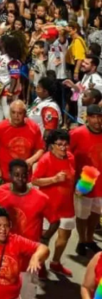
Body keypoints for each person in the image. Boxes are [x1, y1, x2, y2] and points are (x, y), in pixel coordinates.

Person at [0, 159, 55, 298]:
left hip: (29, 260)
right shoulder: (0, 193)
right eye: (16, 175)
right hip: (4, 256)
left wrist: (44, 240)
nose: (21, 179)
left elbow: (55, 221)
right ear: (9, 175)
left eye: (24, 175)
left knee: (27, 295)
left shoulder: (41, 198)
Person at [32, 129, 76, 276]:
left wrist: (78, 188)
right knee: (45, 238)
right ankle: (41, 263)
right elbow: (35, 180)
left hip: (67, 206)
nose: (63, 147)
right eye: (59, 144)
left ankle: (55, 263)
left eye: (65, 144)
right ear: (51, 146)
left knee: (64, 238)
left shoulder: (70, 157)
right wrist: (54, 179)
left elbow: (72, 176)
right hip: (48, 208)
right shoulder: (45, 159)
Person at [69, 103, 102, 256]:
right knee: (82, 215)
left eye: (99, 117)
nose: (97, 121)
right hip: (83, 183)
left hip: (101, 184)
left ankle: (89, 239)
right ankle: (82, 240)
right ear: (87, 118)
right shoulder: (77, 133)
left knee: (96, 213)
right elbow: (66, 154)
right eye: (93, 117)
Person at [0, 100, 44, 183]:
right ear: (10, 113)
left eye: (19, 113)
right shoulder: (0, 127)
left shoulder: (34, 128)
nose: (16, 116)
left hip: (24, 177)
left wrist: (32, 160)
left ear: (25, 114)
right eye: (13, 112)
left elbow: (40, 149)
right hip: (5, 175)